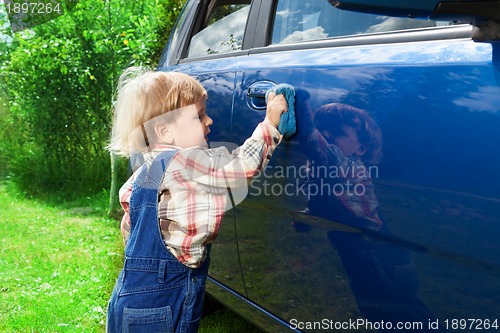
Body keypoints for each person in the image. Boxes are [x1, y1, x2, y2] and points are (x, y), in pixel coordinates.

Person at [105, 67, 287, 333]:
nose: (209, 121)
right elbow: (240, 169)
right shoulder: (187, 161)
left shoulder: (144, 171)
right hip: (164, 305)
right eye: (199, 116)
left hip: (127, 298)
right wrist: (269, 125)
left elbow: (130, 230)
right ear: (165, 132)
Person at [297, 102, 441, 332]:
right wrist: (308, 216)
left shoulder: (345, 163)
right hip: (357, 247)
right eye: (322, 126)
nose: (326, 132)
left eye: (337, 132)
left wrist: (302, 107)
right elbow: (323, 201)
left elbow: (314, 140)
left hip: (373, 250)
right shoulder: (323, 166)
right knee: (378, 305)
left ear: (361, 149)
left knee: (391, 309)